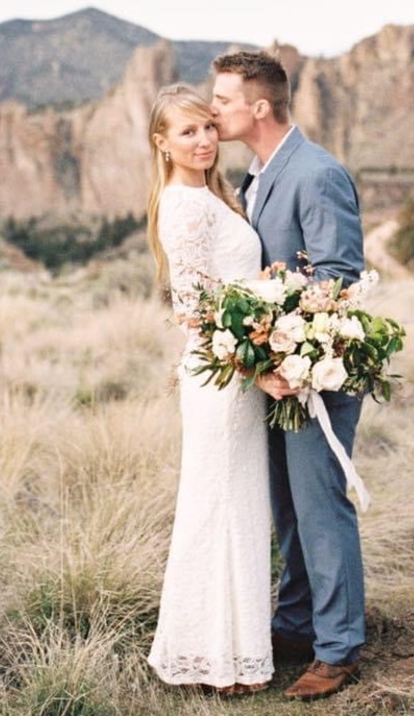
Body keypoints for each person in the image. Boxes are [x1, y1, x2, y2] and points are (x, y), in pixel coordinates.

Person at [210, 50, 366, 702]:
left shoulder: (316, 173)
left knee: (321, 508)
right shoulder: (259, 173)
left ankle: (338, 648)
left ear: (259, 108)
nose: (213, 110)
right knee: (288, 509)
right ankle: (298, 621)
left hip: (317, 373)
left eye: (222, 100)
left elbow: (338, 278)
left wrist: (289, 355)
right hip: (276, 374)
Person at [145, 84, 274, 697]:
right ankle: (218, 661)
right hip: (223, 381)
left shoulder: (214, 196)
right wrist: (258, 369)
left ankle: (227, 653)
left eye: (206, 128)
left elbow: (233, 287)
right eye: (186, 132)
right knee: (219, 508)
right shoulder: (182, 206)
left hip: (238, 377)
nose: (201, 141)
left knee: (236, 508)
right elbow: (194, 313)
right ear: (161, 143)